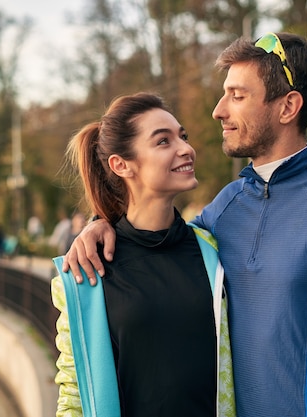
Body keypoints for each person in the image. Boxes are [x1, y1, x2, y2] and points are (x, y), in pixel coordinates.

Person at [62, 33, 307, 417]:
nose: (218, 111)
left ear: (288, 107)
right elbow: (155, 238)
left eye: (237, 96)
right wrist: (101, 223)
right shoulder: (222, 211)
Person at [51, 92, 235, 416]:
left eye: (183, 136)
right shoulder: (86, 272)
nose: (185, 149)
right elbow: (74, 394)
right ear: (121, 165)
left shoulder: (213, 251)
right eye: (163, 141)